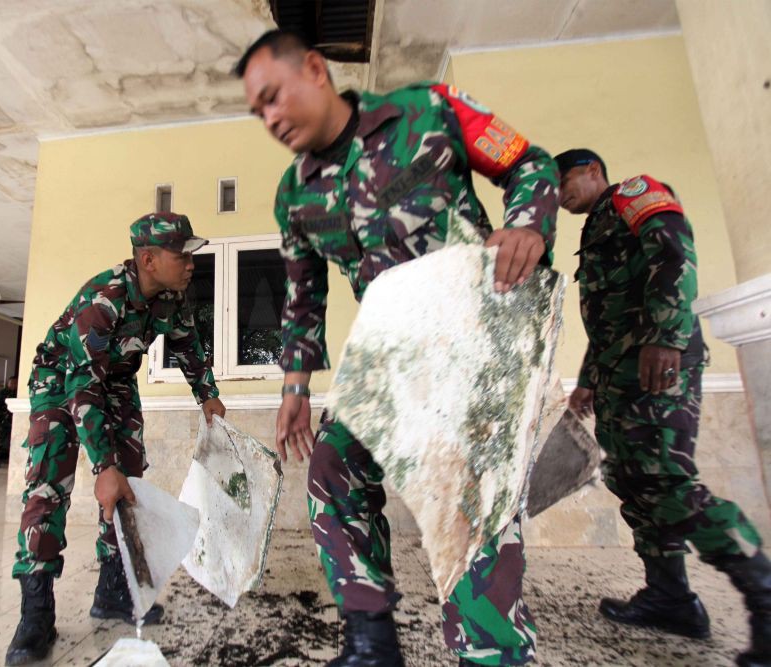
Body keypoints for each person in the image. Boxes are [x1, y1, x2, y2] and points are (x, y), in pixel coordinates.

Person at [236, 30, 559, 667]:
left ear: (314, 68)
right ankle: (370, 640)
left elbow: (529, 161)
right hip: (392, 353)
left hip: (470, 338)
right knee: (333, 462)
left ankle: (490, 653)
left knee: (473, 503)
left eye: (274, 97)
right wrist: (295, 391)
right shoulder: (293, 194)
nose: (269, 118)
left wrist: (527, 223)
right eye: (257, 111)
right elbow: (304, 300)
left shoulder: (429, 110)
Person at [556, 148, 770, 666]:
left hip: (658, 365)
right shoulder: (596, 227)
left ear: (591, 171)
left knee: (668, 480)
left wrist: (667, 338)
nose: (558, 197)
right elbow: (609, 316)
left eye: (562, 184)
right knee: (632, 480)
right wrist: (588, 380)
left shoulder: (634, 195)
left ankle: (763, 597)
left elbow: (674, 254)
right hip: (621, 371)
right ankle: (670, 597)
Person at [5, 212, 226, 666]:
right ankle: (35, 612)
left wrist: (208, 396)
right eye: (181, 254)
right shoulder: (103, 300)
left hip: (117, 380)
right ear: (148, 259)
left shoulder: (170, 297)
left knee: (129, 480)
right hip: (61, 380)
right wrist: (102, 465)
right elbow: (82, 388)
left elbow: (187, 345)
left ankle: (112, 590)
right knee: (49, 483)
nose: (190, 264)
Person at [0, 376, 17, 468]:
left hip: (12, 421)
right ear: (8, 383)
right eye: (12, 383)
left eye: (15, 383)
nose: (13, 385)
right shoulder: (2, 394)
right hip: (1, 422)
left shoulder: (16, 393)